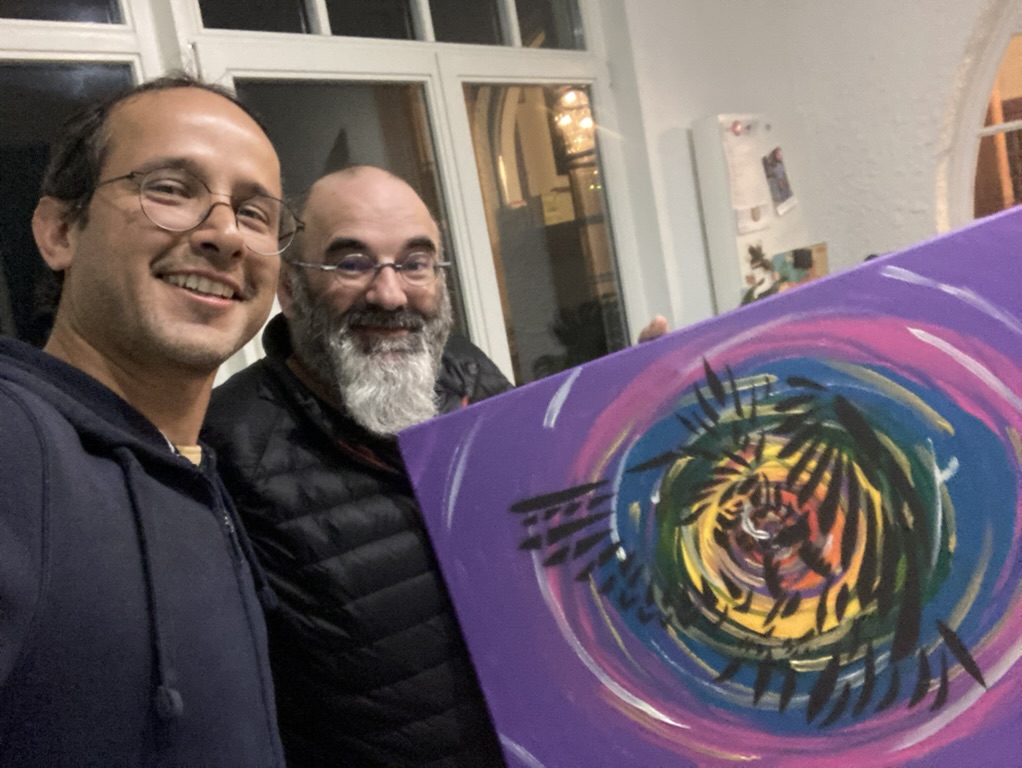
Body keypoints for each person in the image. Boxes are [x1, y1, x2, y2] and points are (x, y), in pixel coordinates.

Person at [203, 165, 669, 766]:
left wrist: (628, 446)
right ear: (291, 290)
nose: (390, 294)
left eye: (416, 263)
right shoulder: (228, 449)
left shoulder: (469, 373)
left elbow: (554, 541)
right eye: (352, 263)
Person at [0, 74, 297, 766]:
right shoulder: (15, 447)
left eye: (254, 213)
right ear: (59, 232)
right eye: (170, 189)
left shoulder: (190, 468)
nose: (224, 234)